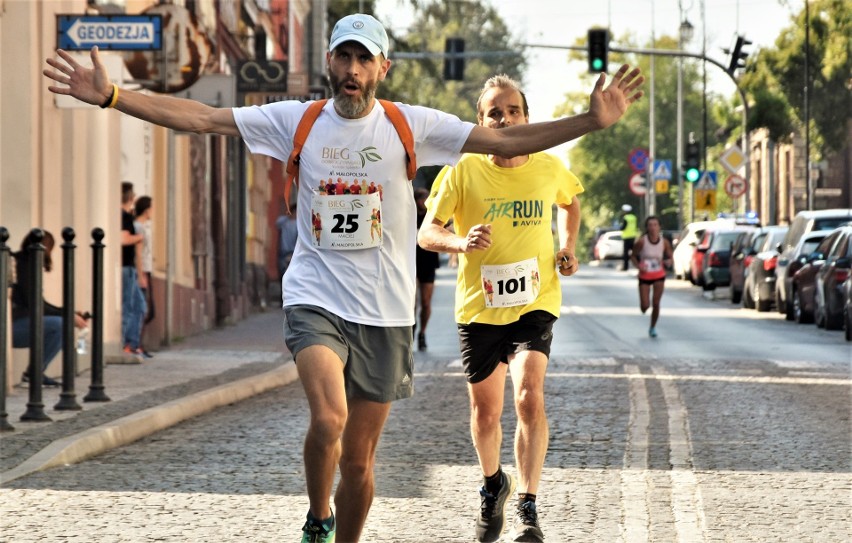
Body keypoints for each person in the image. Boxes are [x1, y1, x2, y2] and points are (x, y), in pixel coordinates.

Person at [43, 13, 643, 542]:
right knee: (327, 417)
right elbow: (200, 116)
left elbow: (506, 137)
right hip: (315, 296)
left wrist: (590, 121)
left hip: (384, 312)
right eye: (344, 56)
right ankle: (316, 516)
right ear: (330, 62)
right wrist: (116, 97)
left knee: (359, 461)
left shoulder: (413, 126)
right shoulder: (296, 121)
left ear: (382, 67)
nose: (352, 69)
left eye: (364, 59)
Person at [418, 74, 583, 543]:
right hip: (479, 307)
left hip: (536, 300)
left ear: (526, 118)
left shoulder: (549, 167)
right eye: (495, 113)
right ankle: (494, 485)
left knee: (529, 395)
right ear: (481, 121)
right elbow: (426, 232)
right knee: (485, 413)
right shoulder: (462, 170)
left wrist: (567, 246)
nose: (505, 119)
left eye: (513, 111)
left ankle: (528, 505)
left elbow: (570, 204)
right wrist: (459, 241)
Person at [11, 230, 88, 387]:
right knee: (61, 325)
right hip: (11, 326)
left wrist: (68, 312)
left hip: (16, 323)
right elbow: (35, 304)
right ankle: (34, 374)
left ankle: (34, 373)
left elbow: (38, 303)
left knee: (62, 322)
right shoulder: (24, 265)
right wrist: (68, 315)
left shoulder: (26, 263)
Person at [630, 215, 673, 338]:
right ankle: (644, 307)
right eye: (650, 225)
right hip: (645, 275)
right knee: (645, 306)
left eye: (655, 225)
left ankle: (652, 327)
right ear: (647, 228)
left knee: (656, 303)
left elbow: (670, 256)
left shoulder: (664, 242)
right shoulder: (642, 242)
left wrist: (668, 262)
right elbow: (633, 256)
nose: (653, 228)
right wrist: (639, 266)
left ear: (659, 227)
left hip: (659, 274)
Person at [120, 182, 147, 359]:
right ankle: (126, 345)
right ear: (130, 198)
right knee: (128, 307)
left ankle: (132, 343)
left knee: (139, 306)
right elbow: (123, 239)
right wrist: (140, 237)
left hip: (130, 268)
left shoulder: (125, 216)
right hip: (126, 268)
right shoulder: (124, 216)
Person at [414, 187, 440, 351]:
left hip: (429, 262)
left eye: (426, 198)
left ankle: (422, 332)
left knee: (425, 302)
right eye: (420, 198)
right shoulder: (409, 215)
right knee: (412, 303)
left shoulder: (433, 216)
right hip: (411, 262)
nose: (423, 201)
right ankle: (411, 329)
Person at [134, 195, 155, 358]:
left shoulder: (145, 227)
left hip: (148, 269)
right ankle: (135, 344)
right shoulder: (138, 227)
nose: (153, 211)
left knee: (147, 310)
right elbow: (138, 254)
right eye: (152, 207)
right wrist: (141, 274)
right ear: (147, 209)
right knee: (142, 308)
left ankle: (138, 343)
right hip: (142, 271)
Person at [276, 201, 299, 283]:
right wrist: (288, 215)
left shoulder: (298, 224)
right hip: (283, 252)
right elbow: (277, 222)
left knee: (290, 276)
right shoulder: (285, 222)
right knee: (283, 276)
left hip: (292, 253)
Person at [619, 204, 638, 271]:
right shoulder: (634, 217)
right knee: (635, 252)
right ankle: (639, 264)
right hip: (633, 236)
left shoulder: (626, 218)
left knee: (626, 253)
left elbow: (623, 227)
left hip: (626, 237)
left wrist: (620, 227)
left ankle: (625, 267)